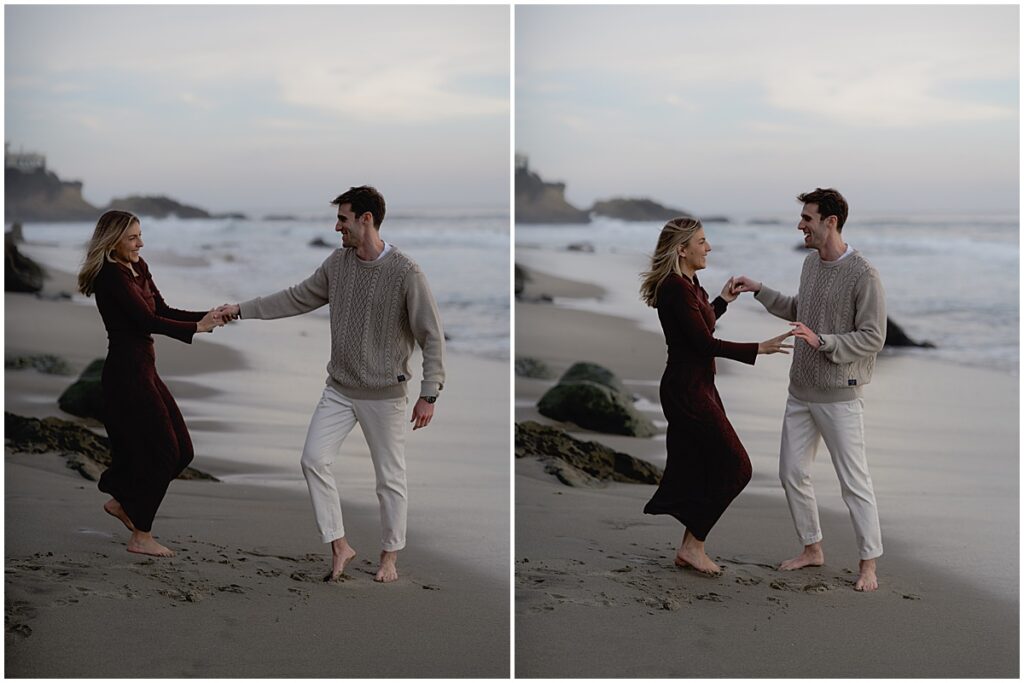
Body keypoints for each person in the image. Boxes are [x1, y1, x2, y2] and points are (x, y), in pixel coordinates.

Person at [217, 186, 445, 584]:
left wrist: (429, 393)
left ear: (366, 219)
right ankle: (339, 544)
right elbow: (295, 298)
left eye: (343, 218)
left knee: (390, 479)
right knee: (312, 460)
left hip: (384, 393)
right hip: (339, 389)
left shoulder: (406, 272)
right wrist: (240, 310)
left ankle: (389, 557)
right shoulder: (337, 265)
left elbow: (432, 336)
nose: (337, 226)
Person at [732, 187, 886, 592]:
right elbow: (799, 309)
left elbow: (873, 336)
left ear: (830, 222)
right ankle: (812, 548)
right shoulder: (810, 264)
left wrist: (825, 342)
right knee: (791, 473)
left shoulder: (864, 274)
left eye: (807, 218)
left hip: (840, 395)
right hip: (799, 391)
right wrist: (758, 288)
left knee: (854, 483)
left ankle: (868, 564)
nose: (800, 225)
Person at [640, 217, 793, 575]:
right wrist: (759, 347)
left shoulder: (690, 283)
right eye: (702, 241)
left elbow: (703, 323)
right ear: (682, 249)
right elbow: (703, 343)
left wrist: (722, 301)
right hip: (686, 390)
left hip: (699, 387)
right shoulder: (675, 288)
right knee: (738, 466)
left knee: (703, 465)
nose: (708, 247)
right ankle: (693, 547)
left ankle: (691, 548)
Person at [77, 210, 225, 557]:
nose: (140, 243)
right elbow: (145, 320)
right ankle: (141, 535)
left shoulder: (138, 268)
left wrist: (207, 317)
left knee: (183, 452)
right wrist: (196, 329)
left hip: (145, 371)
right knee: (165, 453)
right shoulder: (109, 277)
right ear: (113, 240)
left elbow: (162, 308)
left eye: (140, 235)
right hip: (126, 375)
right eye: (132, 237)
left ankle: (123, 502)